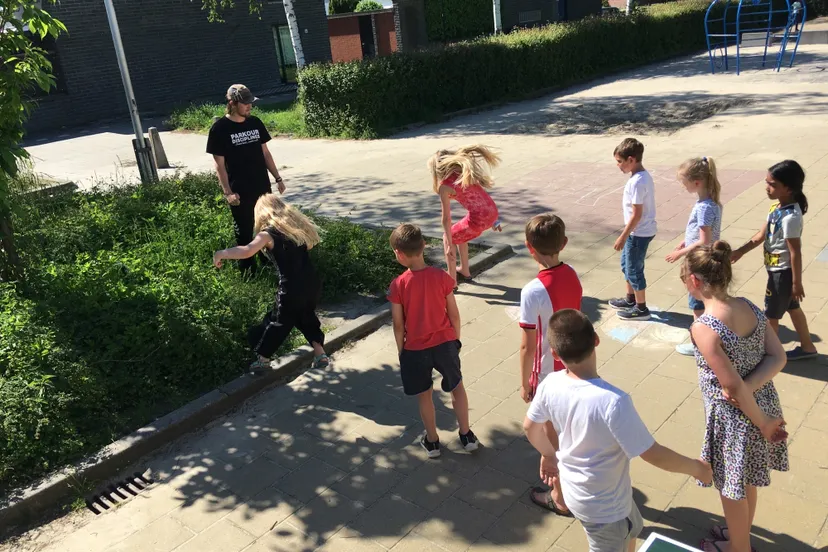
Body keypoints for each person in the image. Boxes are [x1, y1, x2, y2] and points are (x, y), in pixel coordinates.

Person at [524, 309, 713, 552]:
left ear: (555, 353)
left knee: (633, 527)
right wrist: (697, 469)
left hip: (581, 492)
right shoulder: (613, 402)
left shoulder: (550, 383)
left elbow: (530, 426)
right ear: (596, 341)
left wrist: (549, 454)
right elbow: (651, 453)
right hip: (603, 508)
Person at [682, 242, 789, 552]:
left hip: (736, 420)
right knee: (748, 478)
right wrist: (754, 393)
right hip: (763, 404)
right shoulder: (748, 306)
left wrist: (764, 422)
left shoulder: (703, 327)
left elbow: (732, 389)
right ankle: (739, 536)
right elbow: (778, 357)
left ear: (695, 282)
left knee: (731, 486)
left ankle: (738, 549)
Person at [388, 223, 479, 458]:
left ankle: (432, 441)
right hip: (445, 343)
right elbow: (454, 314)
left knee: (425, 394)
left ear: (399, 253)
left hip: (416, 348)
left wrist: (402, 351)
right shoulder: (442, 277)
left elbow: (398, 325)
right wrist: (455, 340)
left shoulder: (398, 284)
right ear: (424, 246)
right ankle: (466, 435)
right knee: (457, 387)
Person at [213, 193, 330, 372]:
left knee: (278, 321)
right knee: (305, 316)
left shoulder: (268, 234)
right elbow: (310, 245)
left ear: (261, 213)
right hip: (312, 283)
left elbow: (247, 251)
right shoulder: (294, 230)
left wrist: (222, 253)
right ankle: (320, 354)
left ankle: (263, 359)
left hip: (291, 287)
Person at [518, 214, 582, 517]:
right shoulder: (571, 274)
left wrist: (524, 381)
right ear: (565, 244)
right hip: (574, 363)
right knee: (566, 429)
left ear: (529, 247)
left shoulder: (532, 290)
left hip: (547, 371)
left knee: (550, 435)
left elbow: (527, 344)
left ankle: (559, 496)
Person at [731, 160, 817, 361]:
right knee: (793, 309)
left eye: (773, 184)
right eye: (767, 182)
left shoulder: (791, 218)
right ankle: (807, 347)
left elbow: (795, 252)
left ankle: (771, 356)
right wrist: (741, 251)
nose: (767, 188)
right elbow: (761, 235)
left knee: (771, 316)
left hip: (782, 274)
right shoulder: (776, 207)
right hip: (779, 272)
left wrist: (796, 283)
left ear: (788, 188)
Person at [207, 84, 285, 273]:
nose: (249, 106)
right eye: (245, 103)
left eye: (251, 102)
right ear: (232, 103)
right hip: (240, 191)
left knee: (268, 228)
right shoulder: (219, 129)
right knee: (244, 233)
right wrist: (228, 192)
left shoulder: (255, 123)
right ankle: (248, 272)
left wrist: (278, 178)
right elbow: (219, 165)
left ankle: (269, 265)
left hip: (262, 188)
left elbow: (265, 153)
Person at [665, 157, 723, 356]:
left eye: (684, 182)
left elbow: (704, 241)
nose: (683, 186)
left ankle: (699, 344)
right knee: (705, 302)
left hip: (699, 263)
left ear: (697, 183)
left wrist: (679, 252)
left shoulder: (704, 208)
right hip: (703, 259)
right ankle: (711, 340)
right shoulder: (710, 203)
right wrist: (684, 242)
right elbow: (698, 234)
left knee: (697, 305)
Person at [428, 145, 502, 284]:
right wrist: (494, 220)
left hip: (480, 219)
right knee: (461, 233)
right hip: (492, 213)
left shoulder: (444, 186)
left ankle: (451, 281)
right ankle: (464, 270)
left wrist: (449, 242)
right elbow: (482, 198)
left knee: (447, 237)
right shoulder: (464, 172)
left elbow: (446, 219)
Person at [609, 138, 657, 321]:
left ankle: (641, 308)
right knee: (626, 265)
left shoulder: (638, 182)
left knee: (634, 269)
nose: (618, 165)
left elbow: (637, 214)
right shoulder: (640, 177)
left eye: (620, 162)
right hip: (638, 232)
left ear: (631, 159)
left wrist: (623, 236)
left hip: (639, 233)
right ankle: (630, 299)